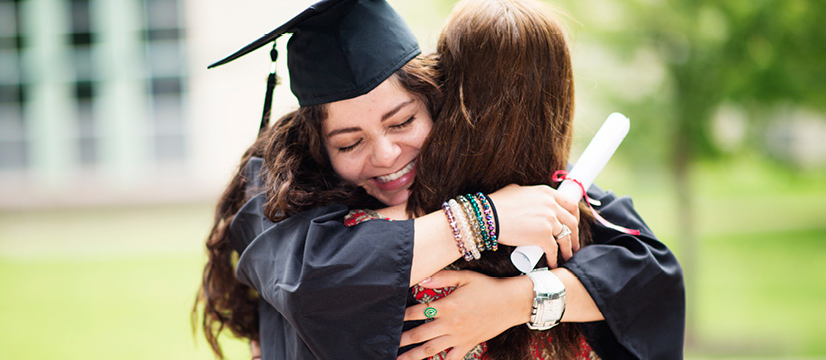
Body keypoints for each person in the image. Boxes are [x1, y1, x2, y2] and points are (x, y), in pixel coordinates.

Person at [195, 0, 684, 359]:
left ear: (437, 103)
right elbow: (318, 279)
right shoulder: (277, 191)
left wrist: (515, 302)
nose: (385, 156)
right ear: (317, 144)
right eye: (349, 143)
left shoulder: (469, 169)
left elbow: (646, 271)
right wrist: (483, 218)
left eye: (402, 122)